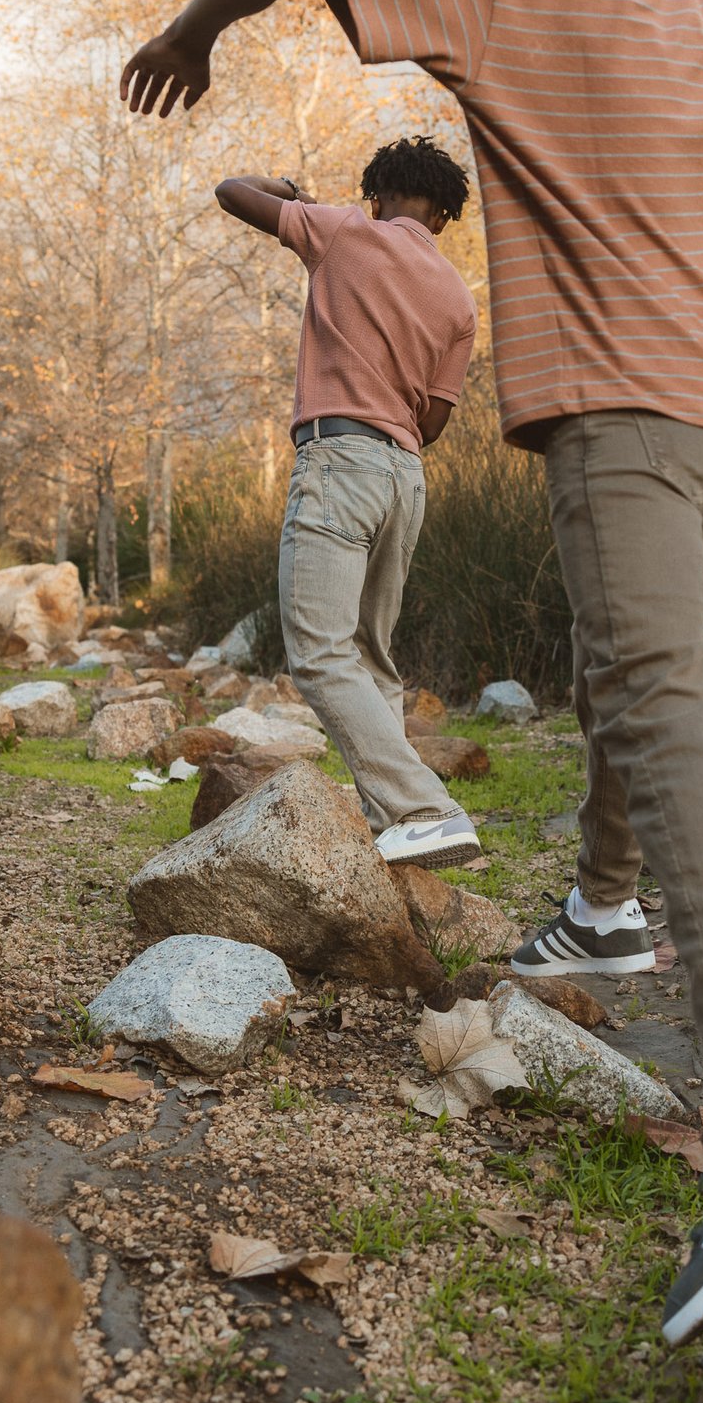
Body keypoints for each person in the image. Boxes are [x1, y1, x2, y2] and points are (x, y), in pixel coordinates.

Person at [123, 0, 703, 1344]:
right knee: (640, 671)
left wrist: (193, 36)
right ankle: (605, 908)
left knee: (646, 696)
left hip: (623, 410)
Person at [213, 138, 484, 868]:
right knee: (371, 655)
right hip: (404, 476)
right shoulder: (459, 298)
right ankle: (392, 821)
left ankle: (424, 808)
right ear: (445, 213)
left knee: (319, 651)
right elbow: (434, 422)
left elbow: (231, 191)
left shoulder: (342, 230)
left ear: (378, 193)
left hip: (340, 459)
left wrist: (289, 191)